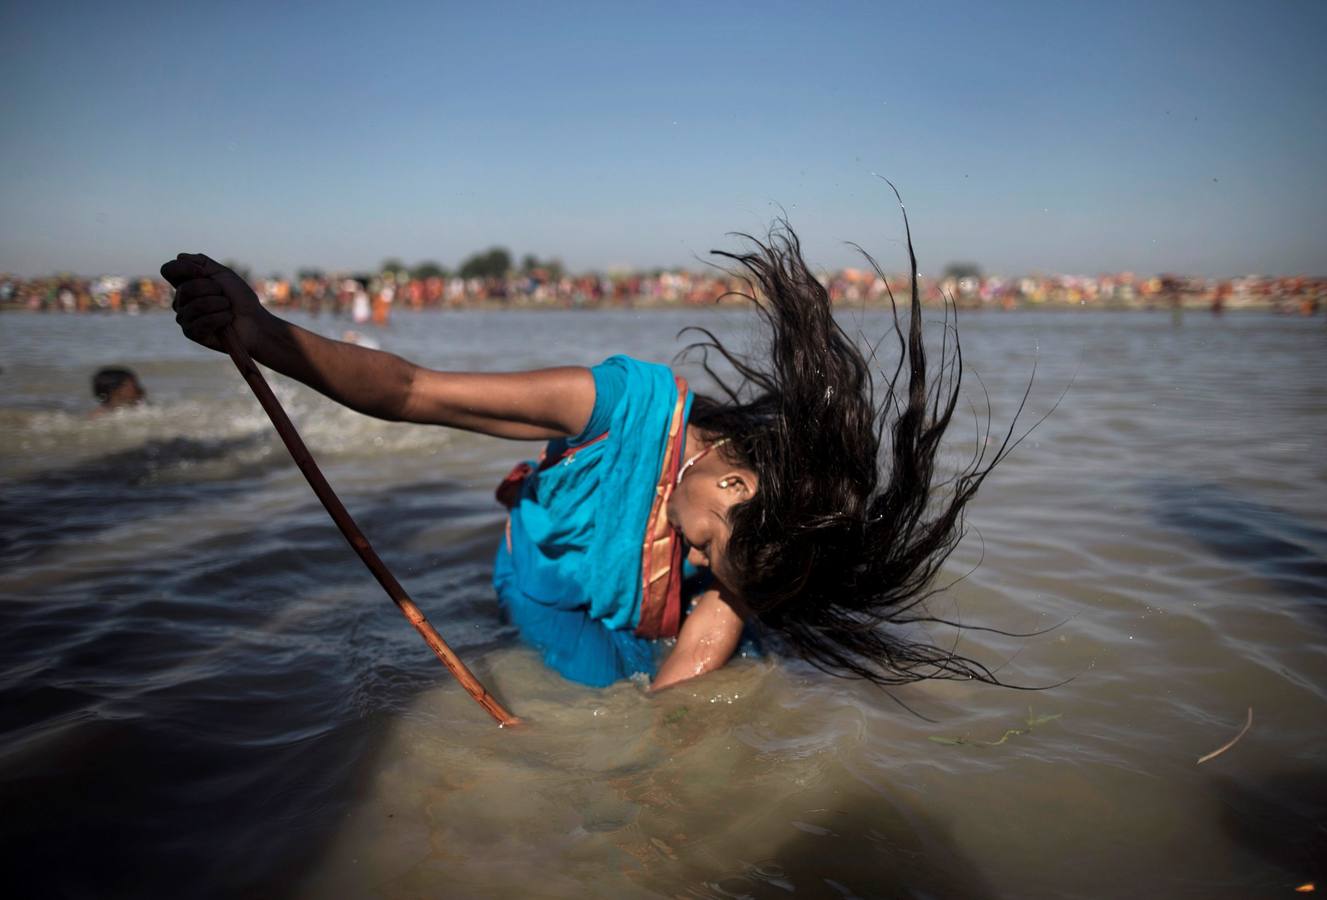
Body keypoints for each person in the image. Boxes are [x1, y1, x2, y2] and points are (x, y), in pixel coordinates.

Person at [162, 219, 1016, 691]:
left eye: (713, 557)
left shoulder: (759, 541)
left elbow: (718, 613)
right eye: (710, 541)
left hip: (670, 608)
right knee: (597, 683)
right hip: (548, 591)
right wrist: (262, 333)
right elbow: (413, 391)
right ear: (728, 477)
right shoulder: (616, 406)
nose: (697, 553)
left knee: (727, 674)